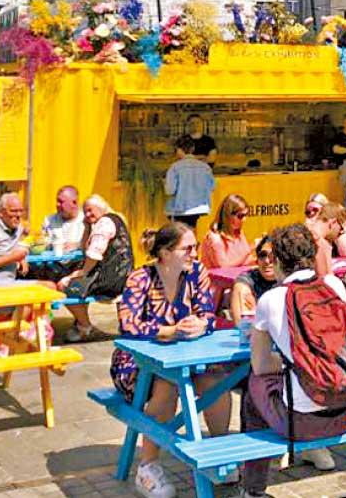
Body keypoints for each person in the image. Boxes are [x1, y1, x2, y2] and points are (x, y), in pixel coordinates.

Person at [111, 223, 224, 498]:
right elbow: (128, 325)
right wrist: (169, 330)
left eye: (195, 247)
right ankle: (147, 468)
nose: (194, 254)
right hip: (135, 363)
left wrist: (200, 324)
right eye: (188, 248)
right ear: (165, 252)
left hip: (184, 356)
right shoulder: (140, 278)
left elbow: (209, 313)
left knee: (216, 380)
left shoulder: (197, 273)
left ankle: (219, 454)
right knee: (167, 384)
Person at [241, 224, 346, 492]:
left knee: (254, 387)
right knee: (290, 382)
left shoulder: (271, 299)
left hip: (300, 422)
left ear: (278, 260)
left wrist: (292, 361)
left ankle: (253, 489)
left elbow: (260, 365)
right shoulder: (334, 286)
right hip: (345, 413)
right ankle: (312, 452)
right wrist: (302, 360)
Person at [58, 195, 134, 342]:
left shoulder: (104, 223)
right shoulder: (115, 219)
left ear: (100, 208)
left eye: (90, 210)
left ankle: (85, 327)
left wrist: (82, 272)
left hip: (111, 280)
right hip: (123, 275)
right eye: (85, 212)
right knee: (77, 282)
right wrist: (87, 227)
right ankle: (83, 325)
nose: (87, 214)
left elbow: (94, 252)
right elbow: (86, 247)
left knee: (65, 286)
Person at [165, 135, 215, 230]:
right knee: (191, 229)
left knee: (180, 232)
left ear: (179, 150)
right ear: (193, 149)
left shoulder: (175, 167)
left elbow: (170, 191)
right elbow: (212, 187)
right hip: (199, 208)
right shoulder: (205, 167)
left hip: (179, 208)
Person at [229, 232, 278, 323]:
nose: (267, 261)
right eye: (262, 255)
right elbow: (243, 324)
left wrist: (258, 313)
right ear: (256, 260)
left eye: (272, 255)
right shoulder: (246, 281)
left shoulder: (291, 280)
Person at [200, 194, 255, 270]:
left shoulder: (238, 233)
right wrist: (249, 249)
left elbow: (246, 260)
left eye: (246, 215)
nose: (244, 220)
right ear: (228, 215)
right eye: (240, 216)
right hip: (217, 277)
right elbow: (224, 267)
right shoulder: (215, 238)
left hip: (239, 276)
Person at [305, 200, 346, 278]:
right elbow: (327, 281)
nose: (340, 233)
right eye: (341, 229)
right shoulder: (322, 245)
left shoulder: (302, 233)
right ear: (333, 222)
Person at [41, 185, 85, 257]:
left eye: (61, 202)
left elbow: (95, 244)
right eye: (57, 201)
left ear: (74, 203)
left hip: (81, 262)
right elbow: (43, 244)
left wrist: (78, 245)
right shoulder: (49, 220)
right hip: (53, 263)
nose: (57, 205)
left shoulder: (87, 220)